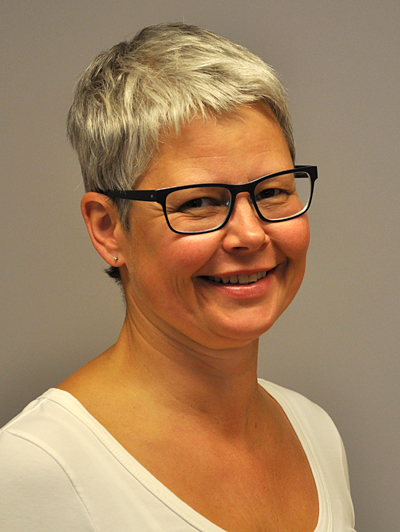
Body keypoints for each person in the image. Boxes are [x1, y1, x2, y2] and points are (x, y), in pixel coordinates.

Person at [0, 22, 356, 532]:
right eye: (199, 202)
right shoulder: (34, 471)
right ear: (108, 229)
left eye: (273, 192)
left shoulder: (316, 433)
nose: (250, 234)